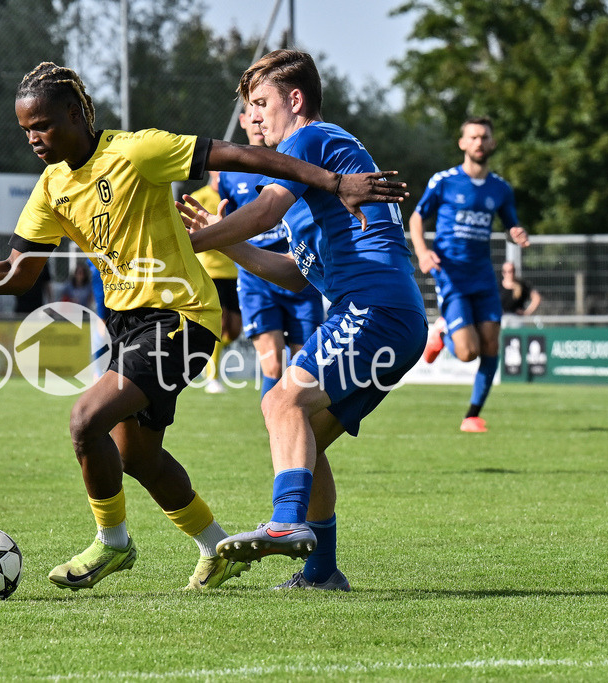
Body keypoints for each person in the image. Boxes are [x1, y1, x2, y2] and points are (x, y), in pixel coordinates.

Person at [0, 61, 405, 592]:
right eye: (26, 130)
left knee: (90, 419)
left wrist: (329, 183)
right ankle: (249, 555)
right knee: (144, 454)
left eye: (42, 125)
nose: (34, 138)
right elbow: (20, 273)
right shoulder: (53, 186)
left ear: (74, 113)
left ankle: (119, 541)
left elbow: (241, 160)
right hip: (129, 323)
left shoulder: (138, 150)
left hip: (181, 317)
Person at [178, 49, 426, 592]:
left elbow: (266, 210)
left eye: (260, 102)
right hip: (390, 315)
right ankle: (321, 573)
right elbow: (293, 275)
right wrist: (223, 242)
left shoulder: (309, 140)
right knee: (305, 437)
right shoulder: (314, 173)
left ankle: (286, 522)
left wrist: (186, 243)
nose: (253, 116)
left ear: (295, 100)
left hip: (374, 310)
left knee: (279, 402)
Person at [409, 116, 531, 433]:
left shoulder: (500, 188)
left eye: (484, 137)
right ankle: (442, 335)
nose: (479, 142)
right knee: (467, 353)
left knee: (491, 344)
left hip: (483, 276)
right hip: (451, 275)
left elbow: (511, 223)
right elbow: (417, 218)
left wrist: (516, 232)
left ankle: (472, 416)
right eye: (473, 137)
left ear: (492, 143)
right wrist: (422, 252)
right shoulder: (444, 181)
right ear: (462, 143)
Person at [219, 102, 324, 401]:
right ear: (242, 120)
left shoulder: (292, 160)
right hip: (256, 278)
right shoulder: (228, 173)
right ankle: (275, 424)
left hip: (299, 272)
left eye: (262, 111)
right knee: (273, 364)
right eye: (250, 114)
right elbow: (231, 217)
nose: (257, 120)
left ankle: (297, 422)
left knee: (304, 368)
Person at [189, 171, 241, 394]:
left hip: (234, 271)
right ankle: (213, 378)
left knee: (235, 330)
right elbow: (189, 233)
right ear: (211, 171)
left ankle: (203, 357)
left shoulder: (235, 196)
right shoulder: (199, 196)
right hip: (209, 270)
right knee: (220, 323)